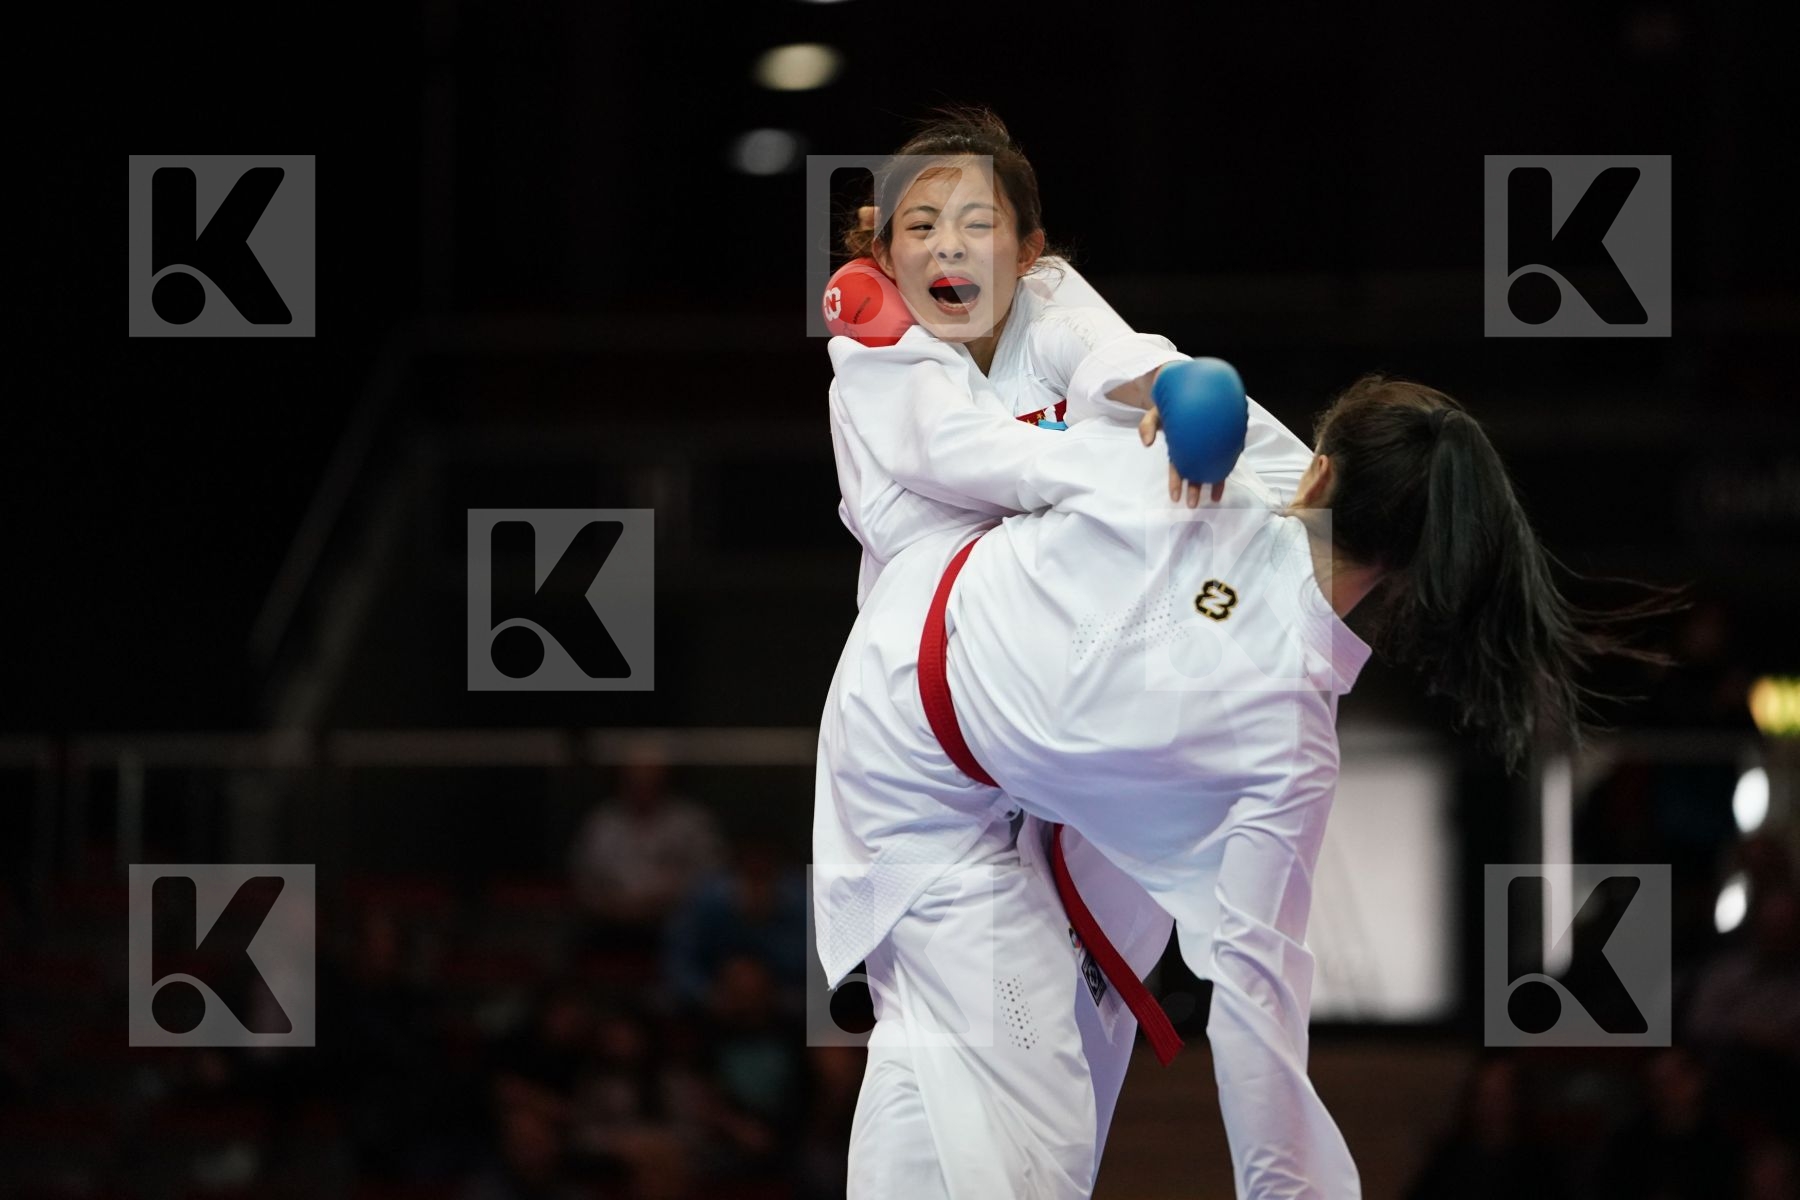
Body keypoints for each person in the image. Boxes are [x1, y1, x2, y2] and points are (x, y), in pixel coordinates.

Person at [820, 336, 1661, 1197]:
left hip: (949, 692)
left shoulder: (1247, 455)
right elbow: (1257, 1008)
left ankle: (885, 332)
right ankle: (886, 339)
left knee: (944, 1072)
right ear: (1407, 571)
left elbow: (1074, 324)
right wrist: (1163, 373)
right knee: (1034, 1122)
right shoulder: (1294, 745)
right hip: (923, 748)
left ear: (1320, 474)